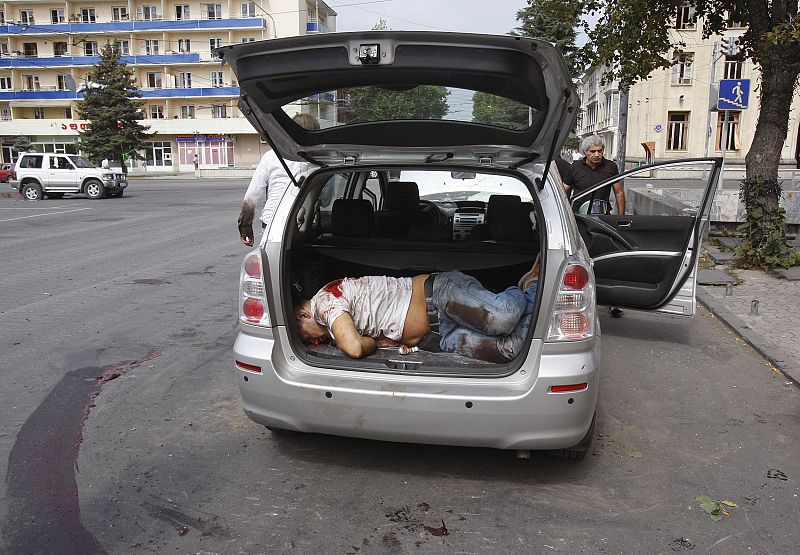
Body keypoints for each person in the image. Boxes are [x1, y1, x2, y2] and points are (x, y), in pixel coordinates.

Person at [294, 258, 541, 363]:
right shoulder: (333, 324)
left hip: (440, 297)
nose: (313, 341)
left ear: (303, 315)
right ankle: (535, 300)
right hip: (438, 339)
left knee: (503, 319)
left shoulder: (324, 303)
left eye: (305, 335)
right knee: (510, 349)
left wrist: (365, 341)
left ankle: (528, 287)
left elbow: (355, 348)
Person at [238, 113, 320, 246]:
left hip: (271, 221)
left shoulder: (271, 157)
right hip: (304, 223)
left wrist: (245, 227)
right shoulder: (319, 161)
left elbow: (252, 195)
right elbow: (326, 198)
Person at [565, 135, 625, 216]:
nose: (597, 154)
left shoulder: (610, 166)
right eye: (593, 151)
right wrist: (566, 213)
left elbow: (619, 192)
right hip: (579, 216)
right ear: (585, 152)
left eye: (599, 151)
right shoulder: (575, 167)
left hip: (602, 215)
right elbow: (565, 191)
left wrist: (621, 217)